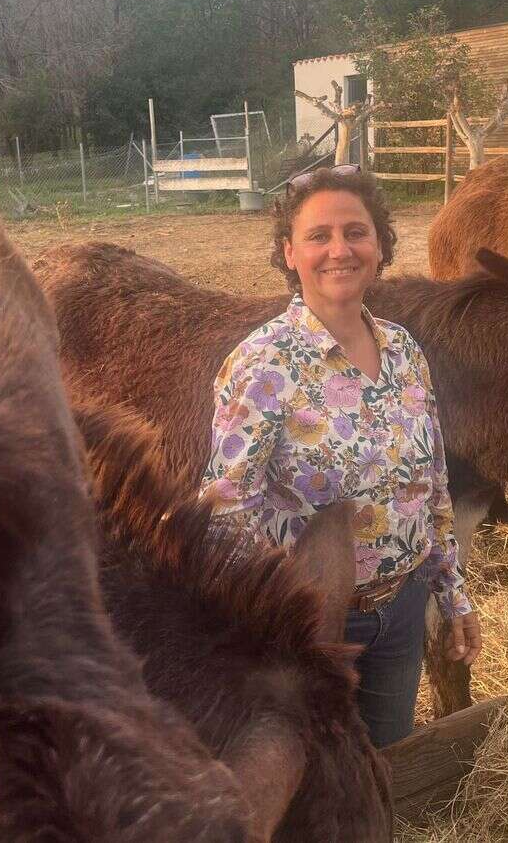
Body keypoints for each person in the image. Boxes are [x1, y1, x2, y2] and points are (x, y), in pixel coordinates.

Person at [198, 164, 481, 747]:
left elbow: (431, 484)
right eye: (318, 236)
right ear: (289, 253)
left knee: (385, 764)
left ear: (380, 246)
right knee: (317, 785)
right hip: (311, 626)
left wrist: (452, 594)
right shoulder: (263, 365)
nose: (339, 250)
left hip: (400, 612)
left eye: (356, 232)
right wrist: (271, 628)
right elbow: (225, 514)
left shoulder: (403, 350)